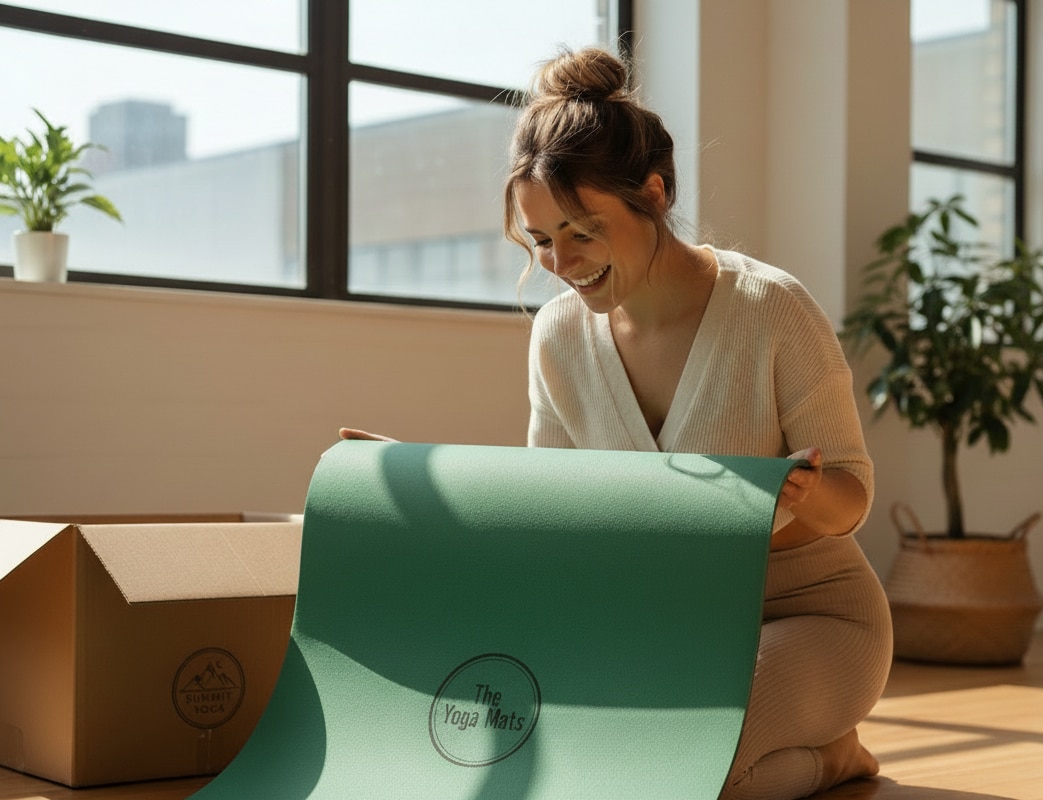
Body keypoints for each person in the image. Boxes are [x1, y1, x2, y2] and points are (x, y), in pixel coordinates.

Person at [345, 45, 893, 800]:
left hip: (810, 619)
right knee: (589, 766)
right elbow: (552, 517)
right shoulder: (558, 337)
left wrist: (803, 493)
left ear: (654, 195)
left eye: (583, 230)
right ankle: (817, 759)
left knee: (684, 772)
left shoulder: (772, 310)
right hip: (660, 631)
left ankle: (835, 757)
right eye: (542, 240)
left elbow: (852, 498)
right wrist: (420, 489)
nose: (561, 262)